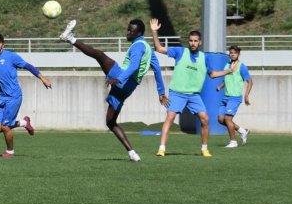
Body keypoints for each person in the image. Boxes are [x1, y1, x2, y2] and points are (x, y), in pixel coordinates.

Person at [59, 19, 168, 162]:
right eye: (128, 29)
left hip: (122, 80)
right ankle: (132, 153)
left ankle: (70, 38)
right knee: (110, 122)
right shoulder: (148, 49)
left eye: (131, 30)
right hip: (128, 88)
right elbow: (157, 70)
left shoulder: (138, 46)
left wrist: (119, 78)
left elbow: (133, 66)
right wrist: (161, 92)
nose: (127, 32)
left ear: (139, 33)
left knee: (99, 55)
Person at [150, 18, 236, 157]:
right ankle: (161, 148)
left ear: (200, 42)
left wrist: (228, 71)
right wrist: (154, 32)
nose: (193, 43)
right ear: (188, 41)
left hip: (194, 95)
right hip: (177, 93)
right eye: (191, 40)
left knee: (205, 119)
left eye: (196, 41)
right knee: (170, 118)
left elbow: (213, 74)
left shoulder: (204, 57)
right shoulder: (180, 52)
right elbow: (159, 48)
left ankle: (204, 149)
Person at [0, 32, 52, 158]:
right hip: (2, 98)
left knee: (5, 126)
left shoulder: (11, 56)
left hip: (14, 96)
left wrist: (42, 78)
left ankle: (10, 151)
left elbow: (28, 66)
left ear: (3, 45)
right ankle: (24, 123)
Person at [216, 45, 253, 148]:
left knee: (228, 119)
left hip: (235, 97)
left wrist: (246, 95)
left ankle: (233, 142)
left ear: (238, 54)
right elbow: (227, 78)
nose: (232, 54)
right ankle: (242, 131)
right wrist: (220, 86)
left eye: (235, 53)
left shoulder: (241, 66)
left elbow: (250, 82)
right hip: (225, 97)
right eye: (231, 52)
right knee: (220, 119)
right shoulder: (227, 65)